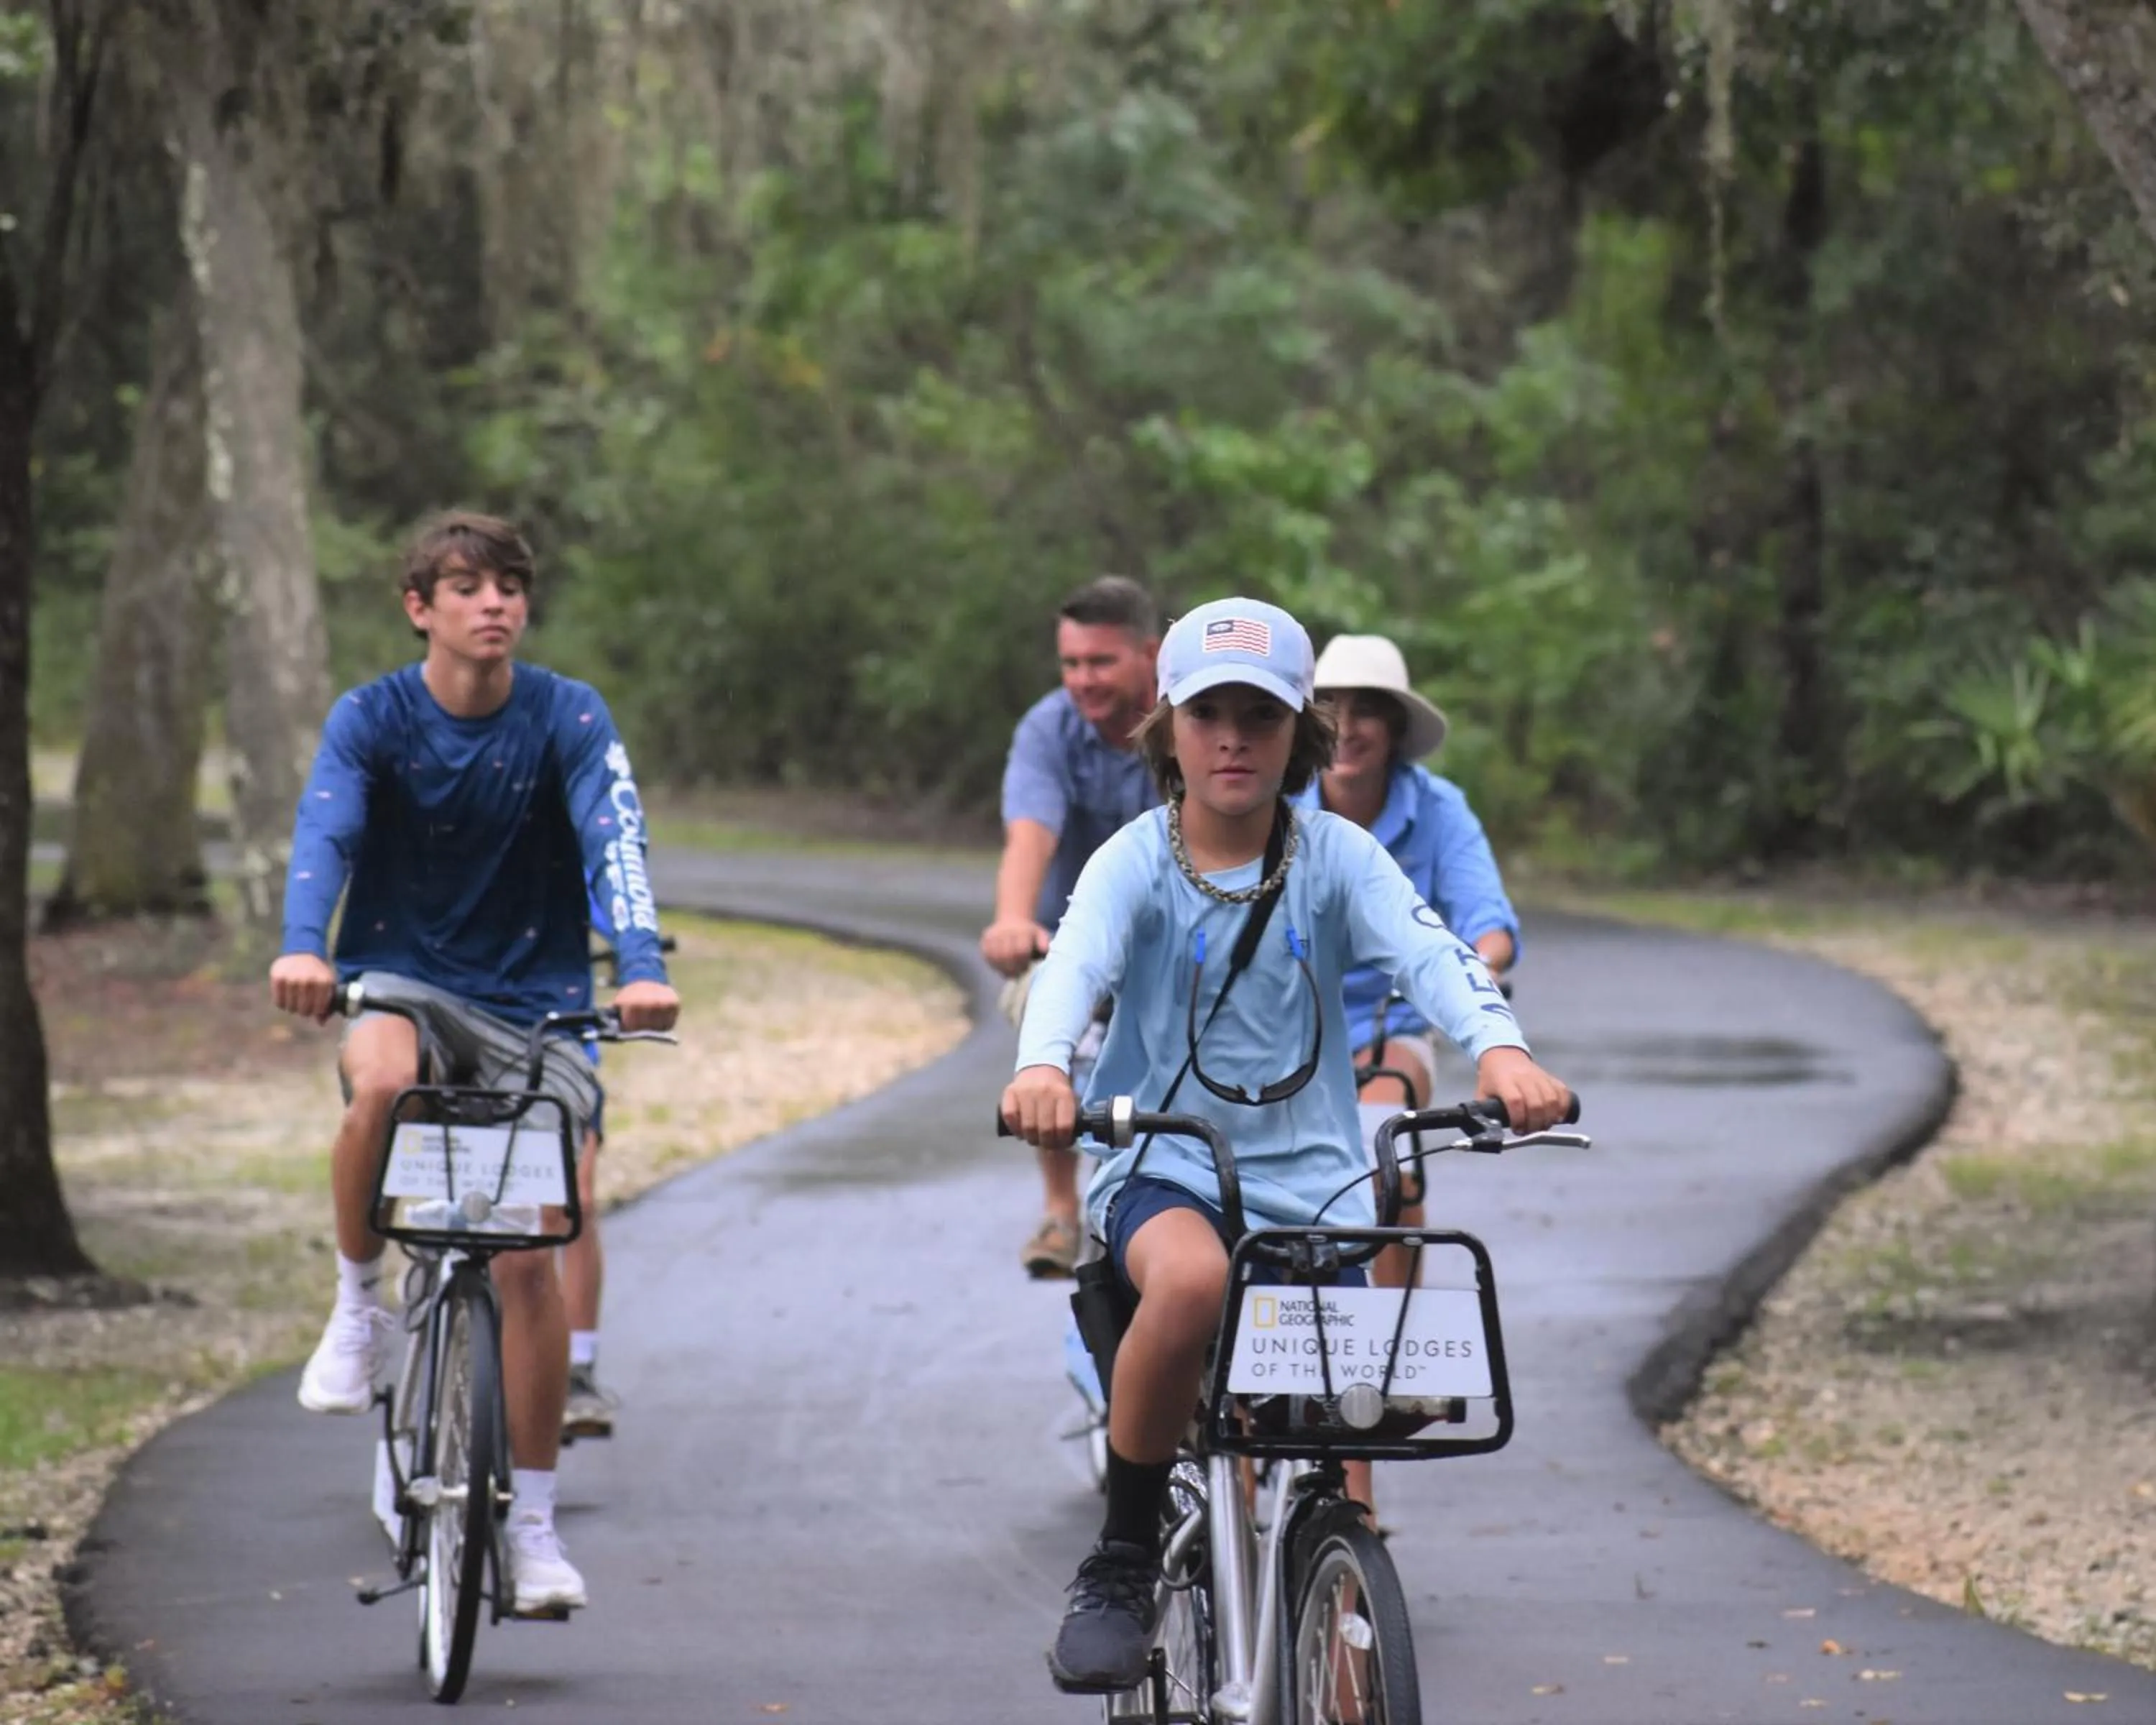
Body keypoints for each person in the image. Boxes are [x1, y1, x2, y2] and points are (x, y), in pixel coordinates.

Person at [1000, 597, 1572, 1694]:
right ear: (1165, 726)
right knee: (1195, 1280)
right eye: (1207, 712)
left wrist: (1500, 1050)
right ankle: (1121, 1557)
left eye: (1258, 716)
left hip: (1314, 1184)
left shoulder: (1339, 859)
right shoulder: (1134, 861)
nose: (1231, 738)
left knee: (1327, 1420)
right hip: (1163, 1162)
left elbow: (1435, 954)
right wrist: (1043, 1066)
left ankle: (1325, 1582)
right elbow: (1070, 965)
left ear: (1298, 733)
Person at [270, 512, 678, 1617]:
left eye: (508, 585)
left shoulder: (568, 715)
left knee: (529, 1258)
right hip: (395, 977)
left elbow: (614, 838)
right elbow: (328, 835)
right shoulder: (373, 718)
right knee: (382, 1085)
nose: (492, 602)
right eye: (464, 586)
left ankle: (533, 1529)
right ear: (420, 607)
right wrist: (306, 947)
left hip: (540, 1002)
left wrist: (638, 964)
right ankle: (362, 1307)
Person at [1294, 634, 1521, 1284]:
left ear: (1394, 728)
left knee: (1387, 1151)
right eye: (1330, 705)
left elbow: (1487, 920)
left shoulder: (1440, 808)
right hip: (1284, 1023)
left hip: (1393, 1019)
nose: (1347, 726)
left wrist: (1483, 970)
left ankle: (1394, 1354)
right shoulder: (1277, 809)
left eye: (1366, 709)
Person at [982, 575, 1160, 1278]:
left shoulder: (1192, 724)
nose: (1082, 680)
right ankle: (1062, 1209)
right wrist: (1011, 922)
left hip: (1176, 939)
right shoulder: (1048, 728)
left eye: (1101, 662)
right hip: (1072, 940)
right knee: (1043, 1009)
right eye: (1072, 663)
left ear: (1149, 654)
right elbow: (1029, 835)